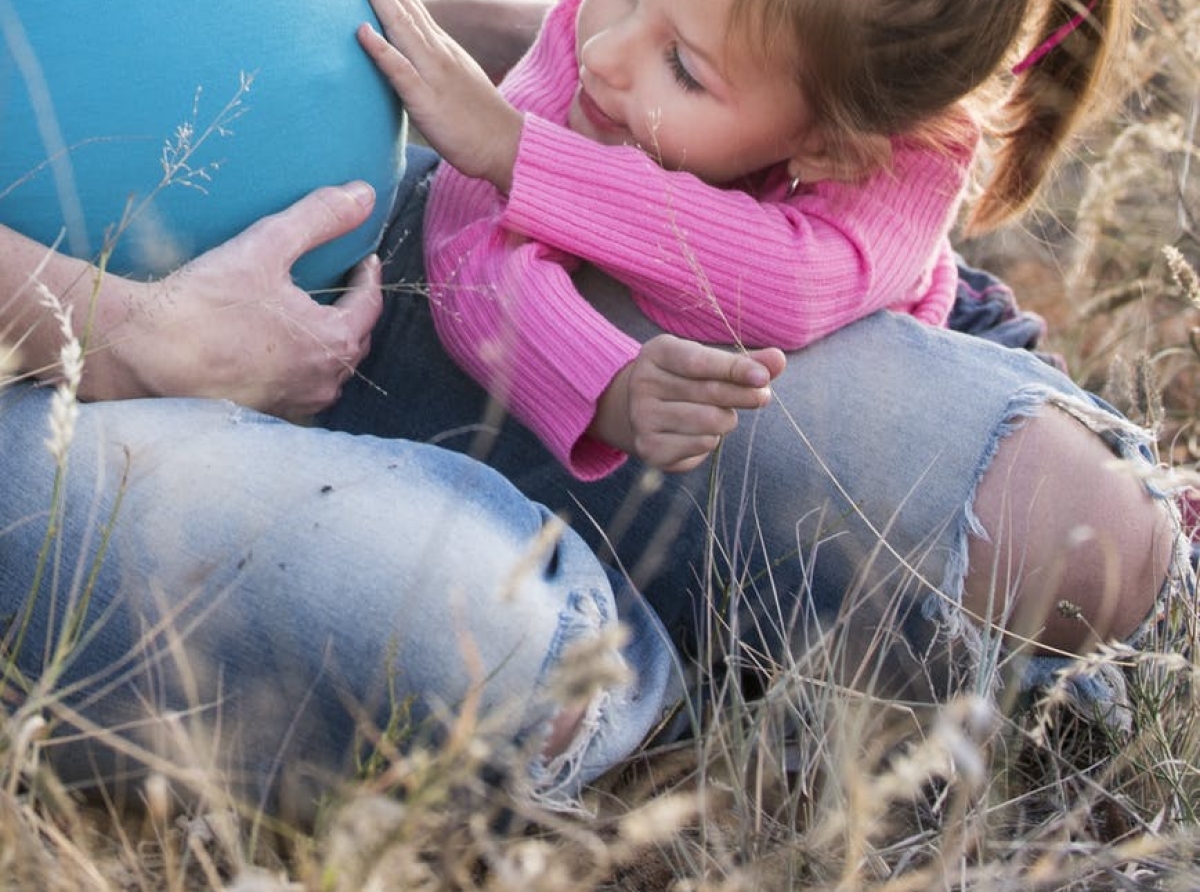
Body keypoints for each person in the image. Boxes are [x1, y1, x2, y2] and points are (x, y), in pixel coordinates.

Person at [357, 0, 1124, 480]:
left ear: (832, 148)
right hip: (739, 379)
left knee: (1086, 488)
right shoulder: (595, 46)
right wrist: (599, 383)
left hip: (942, 328)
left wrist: (519, 154)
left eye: (682, 70)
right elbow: (463, 245)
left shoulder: (907, 156)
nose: (604, 53)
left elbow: (789, 285)